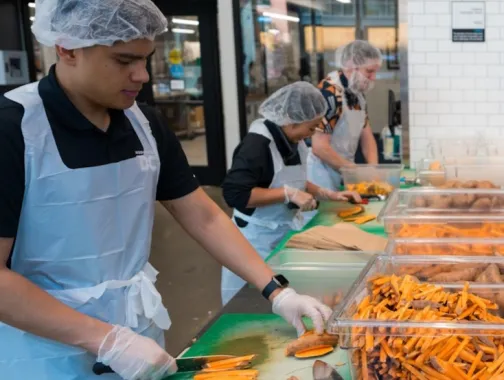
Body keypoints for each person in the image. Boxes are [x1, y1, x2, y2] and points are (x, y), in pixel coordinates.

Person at [0, 1, 333, 379]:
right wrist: (106, 339)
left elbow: (203, 215)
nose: (141, 75)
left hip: (138, 335)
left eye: (146, 59)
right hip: (45, 351)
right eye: (124, 60)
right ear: (67, 48)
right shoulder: (16, 129)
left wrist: (277, 291)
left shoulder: (144, 124)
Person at [221, 82, 361, 305]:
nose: (313, 132)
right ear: (292, 121)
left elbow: (291, 179)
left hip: (281, 232)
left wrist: (328, 194)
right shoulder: (257, 145)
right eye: (312, 126)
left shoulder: (293, 140)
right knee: (247, 305)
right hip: (254, 239)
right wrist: (287, 194)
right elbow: (235, 194)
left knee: (281, 301)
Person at [308, 40, 382, 190]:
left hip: (344, 170)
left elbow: (367, 136)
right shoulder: (330, 93)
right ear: (351, 66)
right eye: (369, 71)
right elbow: (319, 146)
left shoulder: (357, 93)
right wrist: (355, 172)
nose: (373, 78)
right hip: (321, 174)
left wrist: (373, 171)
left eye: (375, 71)